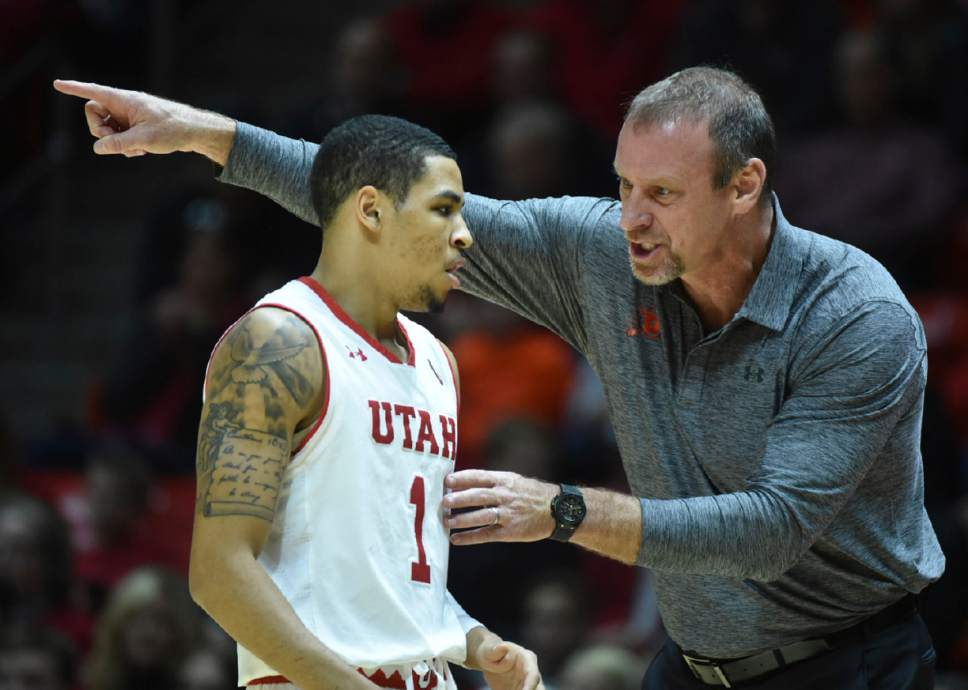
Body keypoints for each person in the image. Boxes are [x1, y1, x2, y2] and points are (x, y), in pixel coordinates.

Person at [54, 65, 943, 689]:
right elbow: (398, 207)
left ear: (745, 186)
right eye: (623, 185)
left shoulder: (855, 315)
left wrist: (559, 511)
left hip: (851, 663)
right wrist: (203, 135)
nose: (631, 218)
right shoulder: (608, 254)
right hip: (695, 663)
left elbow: (772, 531)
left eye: (662, 196)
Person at [53, 87, 544, 690]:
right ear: (371, 211)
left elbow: (390, 576)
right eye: (445, 209)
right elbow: (218, 574)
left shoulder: (440, 362)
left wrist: (475, 641)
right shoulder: (277, 344)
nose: (466, 234)